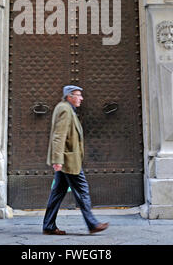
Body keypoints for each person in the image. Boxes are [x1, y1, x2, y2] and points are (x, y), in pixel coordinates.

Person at [42, 85, 109, 235]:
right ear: (69, 96)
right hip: (68, 160)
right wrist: (57, 160)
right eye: (78, 95)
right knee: (82, 189)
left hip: (67, 159)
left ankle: (48, 226)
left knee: (57, 193)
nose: (81, 98)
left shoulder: (66, 108)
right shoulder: (65, 109)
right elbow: (59, 136)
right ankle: (92, 223)